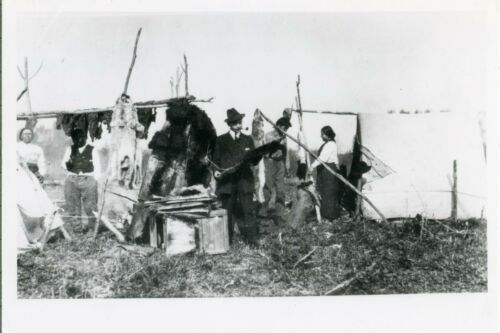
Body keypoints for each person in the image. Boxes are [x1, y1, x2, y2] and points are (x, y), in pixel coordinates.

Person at [212, 108, 260, 246]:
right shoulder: (221, 140)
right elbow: (215, 160)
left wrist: (256, 157)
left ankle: (253, 241)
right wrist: (216, 171)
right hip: (227, 181)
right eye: (236, 123)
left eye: (240, 122)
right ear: (230, 125)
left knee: (248, 210)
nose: (239, 125)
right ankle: (227, 242)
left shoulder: (247, 140)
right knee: (228, 210)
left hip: (244, 180)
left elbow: (254, 160)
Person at [61, 128, 101, 232]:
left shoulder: (92, 149)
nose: (78, 140)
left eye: (81, 137)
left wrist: (94, 180)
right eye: (75, 138)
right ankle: (77, 228)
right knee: (72, 204)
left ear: (85, 138)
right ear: (73, 139)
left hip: (88, 178)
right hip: (72, 179)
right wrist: (71, 167)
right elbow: (63, 163)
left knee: (90, 205)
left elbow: (97, 166)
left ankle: (92, 228)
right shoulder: (70, 149)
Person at [262, 117, 291, 225]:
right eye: (285, 127)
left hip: (280, 163)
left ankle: (280, 215)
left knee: (281, 189)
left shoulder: (285, 137)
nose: (286, 130)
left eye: (287, 128)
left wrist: (287, 164)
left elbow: (286, 151)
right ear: (278, 125)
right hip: (269, 162)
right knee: (269, 187)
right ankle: (267, 213)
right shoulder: (269, 135)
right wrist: (279, 140)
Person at [308, 126, 341, 220]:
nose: (321, 136)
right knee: (325, 192)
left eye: (322, 134)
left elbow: (323, 158)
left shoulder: (330, 144)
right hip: (326, 170)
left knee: (328, 192)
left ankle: (330, 216)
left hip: (328, 170)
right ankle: (327, 214)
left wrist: (312, 166)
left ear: (327, 135)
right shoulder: (328, 144)